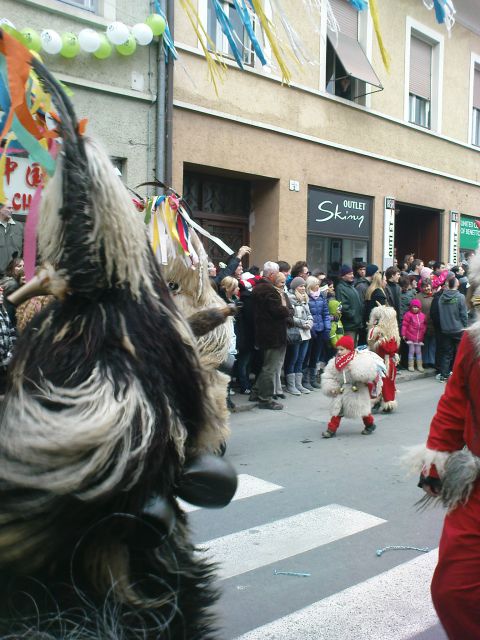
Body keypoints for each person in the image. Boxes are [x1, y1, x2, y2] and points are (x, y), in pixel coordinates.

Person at [252, 261, 293, 409]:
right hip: (273, 334)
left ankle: (256, 392)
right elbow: (280, 311)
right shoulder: (269, 290)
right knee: (270, 367)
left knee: (267, 365)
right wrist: (284, 303)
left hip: (265, 333)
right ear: (271, 274)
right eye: (277, 273)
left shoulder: (259, 288)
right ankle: (265, 399)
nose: (279, 276)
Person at [321, 335, 378, 438]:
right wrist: (331, 388)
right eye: (338, 349)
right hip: (342, 390)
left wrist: (357, 371)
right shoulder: (334, 362)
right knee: (337, 411)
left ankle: (370, 424)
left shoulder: (359, 359)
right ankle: (331, 430)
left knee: (363, 409)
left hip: (357, 389)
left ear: (349, 349)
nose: (339, 352)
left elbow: (369, 373)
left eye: (341, 349)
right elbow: (329, 375)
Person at [367, 305, 400, 413]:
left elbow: (391, 348)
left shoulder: (391, 334)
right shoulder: (376, 331)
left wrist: (381, 340)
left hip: (386, 363)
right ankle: (375, 401)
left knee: (386, 383)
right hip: (375, 360)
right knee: (374, 382)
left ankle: (387, 402)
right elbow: (370, 343)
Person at [285, 277, 313, 395]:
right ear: (294, 287)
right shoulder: (289, 298)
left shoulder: (305, 298)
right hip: (296, 332)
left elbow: (309, 314)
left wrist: (310, 322)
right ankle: (290, 385)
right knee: (293, 358)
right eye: (300, 286)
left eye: (303, 286)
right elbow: (290, 316)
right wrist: (302, 323)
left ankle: (299, 384)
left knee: (301, 359)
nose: (303, 288)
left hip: (306, 332)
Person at [436, 276, 468, 382]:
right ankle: (460, 375)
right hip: (458, 329)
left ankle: (444, 374)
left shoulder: (442, 297)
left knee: (446, 352)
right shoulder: (460, 297)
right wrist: (465, 326)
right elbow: (463, 314)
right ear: (456, 284)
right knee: (460, 352)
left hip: (445, 328)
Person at [306, 276, 331, 390]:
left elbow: (326, 314)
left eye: (318, 284)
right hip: (310, 330)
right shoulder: (306, 297)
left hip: (321, 330)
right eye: (316, 284)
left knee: (315, 355)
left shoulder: (321, 297)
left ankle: (312, 379)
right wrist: (311, 328)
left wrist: (327, 328)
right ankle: (305, 380)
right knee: (307, 355)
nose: (318, 286)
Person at [335, 264, 363, 345]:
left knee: (353, 350)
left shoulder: (351, 287)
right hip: (348, 326)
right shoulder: (341, 288)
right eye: (349, 274)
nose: (352, 276)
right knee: (348, 348)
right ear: (343, 276)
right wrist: (353, 315)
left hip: (355, 325)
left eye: (352, 273)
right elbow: (343, 306)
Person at [401, 298, 427, 372]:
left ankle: (419, 365)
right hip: (411, 336)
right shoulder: (408, 315)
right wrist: (403, 334)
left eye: (417, 307)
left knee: (418, 351)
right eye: (414, 307)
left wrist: (424, 331)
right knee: (411, 351)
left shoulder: (422, 315)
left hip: (419, 338)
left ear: (419, 308)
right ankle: (411, 365)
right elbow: (404, 325)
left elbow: (424, 324)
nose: (415, 308)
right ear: (411, 307)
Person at [0, 200, 23, 276]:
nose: (12, 211)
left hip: (16, 275)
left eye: (12, 208)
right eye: (9, 208)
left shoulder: (20, 227)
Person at [0, 285, 15, 394]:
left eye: (1, 293)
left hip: (5, 363)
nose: (1, 296)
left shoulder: (3, 311)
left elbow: (11, 331)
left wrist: (11, 353)